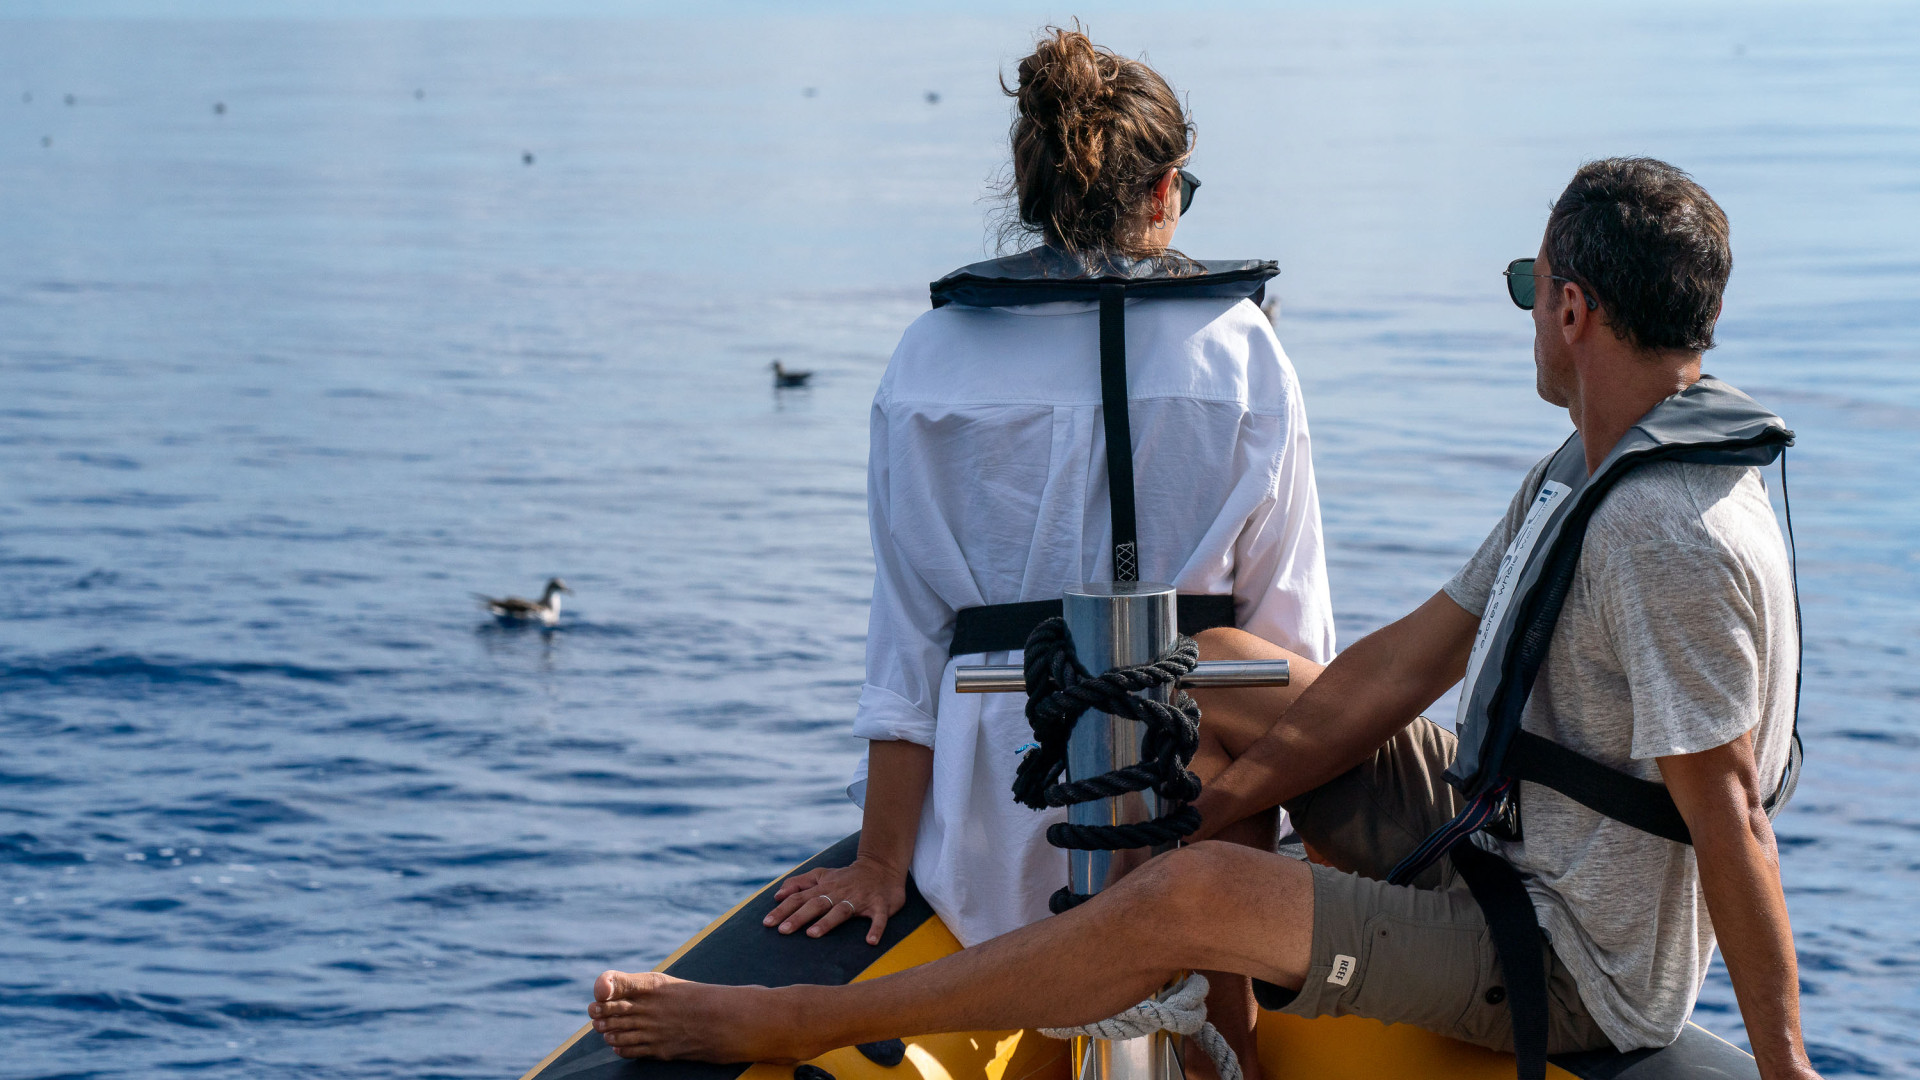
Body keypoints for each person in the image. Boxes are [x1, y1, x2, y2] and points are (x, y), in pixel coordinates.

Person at [587, 157, 1820, 1078]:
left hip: (1569, 955)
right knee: (1213, 668)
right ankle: (1194, 967)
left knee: (1195, 900)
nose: (1525, 313)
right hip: (1513, 830)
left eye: (1524, 286)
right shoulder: (1585, 471)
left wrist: (1787, 1069)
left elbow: (1730, 825)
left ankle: (799, 1019)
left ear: (1571, 310)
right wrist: (1207, 805)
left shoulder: (1670, 537)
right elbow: (1398, 667)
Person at [752, 27, 1336, 1076]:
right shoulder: (1245, 351)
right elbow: (1291, 640)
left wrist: (884, 858)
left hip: (1002, 822)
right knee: (1204, 980)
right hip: (1195, 803)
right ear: (1163, 194)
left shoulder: (929, 360)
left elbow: (911, 639)